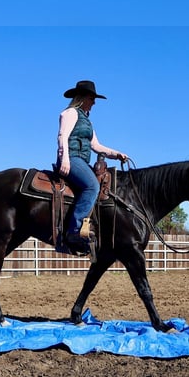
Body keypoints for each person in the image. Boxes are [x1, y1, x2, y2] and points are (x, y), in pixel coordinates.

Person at [56, 80, 128, 252]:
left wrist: (116, 153)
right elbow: (62, 136)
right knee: (92, 186)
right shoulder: (70, 113)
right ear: (82, 98)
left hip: (81, 160)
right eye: (91, 98)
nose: (94, 102)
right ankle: (74, 231)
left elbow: (96, 146)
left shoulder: (87, 121)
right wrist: (65, 158)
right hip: (72, 158)